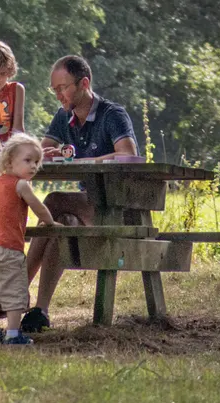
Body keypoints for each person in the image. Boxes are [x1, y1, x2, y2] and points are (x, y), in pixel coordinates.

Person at [21, 54, 136, 332]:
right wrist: (44, 152)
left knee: (53, 201)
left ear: (84, 83)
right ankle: (40, 311)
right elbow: (40, 151)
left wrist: (89, 162)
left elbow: (129, 155)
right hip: (89, 208)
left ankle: (14, 289)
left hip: (119, 208)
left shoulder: (112, 114)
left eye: (63, 88)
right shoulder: (64, 117)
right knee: (63, 223)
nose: (59, 95)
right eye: (55, 89)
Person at [0, 133, 55, 344]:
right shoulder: (21, 185)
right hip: (9, 248)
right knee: (15, 293)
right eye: (28, 161)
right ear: (9, 162)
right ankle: (13, 334)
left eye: (37, 161)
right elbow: (39, 207)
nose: (34, 166)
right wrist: (50, 222)